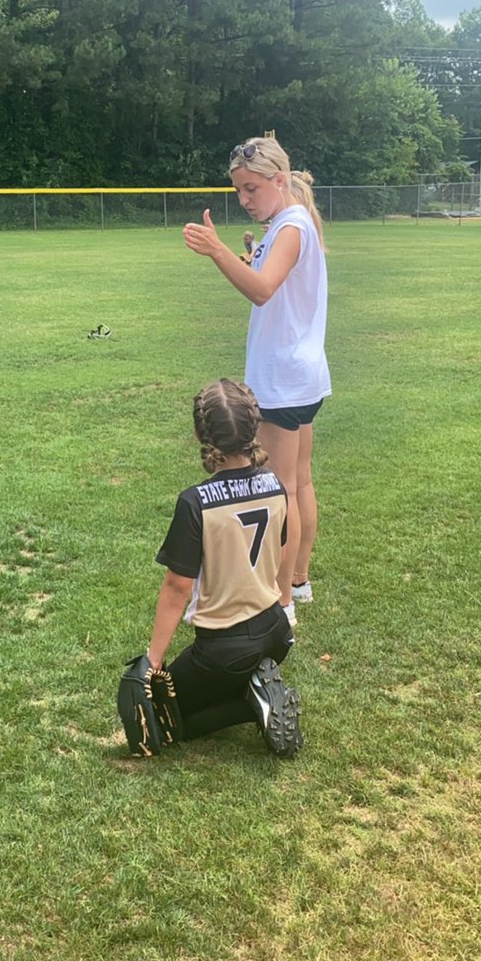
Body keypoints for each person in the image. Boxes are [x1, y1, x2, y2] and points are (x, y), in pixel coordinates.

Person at [183, 137, 331, 619]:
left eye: (251, 189)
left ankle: (282, 602)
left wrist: (217, 252)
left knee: (282, 491)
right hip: (301, 375)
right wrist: (239, 255)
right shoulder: (290, 223)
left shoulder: (290, 225)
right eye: (239, 192)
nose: (245, 200)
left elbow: (263, 290)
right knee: (299, 483)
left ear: (279, 180)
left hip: (283, 379)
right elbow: (267, 281)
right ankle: (298, 581)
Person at [146, 377, 302, 757]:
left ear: (200, 434)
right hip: (275, 631)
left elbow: (177, 588)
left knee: (163, 718)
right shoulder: (276, 486)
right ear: (255, 428)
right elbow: (281, 550)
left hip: (222, 649)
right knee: (221, 678)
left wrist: (153, 661)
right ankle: (256, 686)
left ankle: (250, 704)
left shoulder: (195, 502)